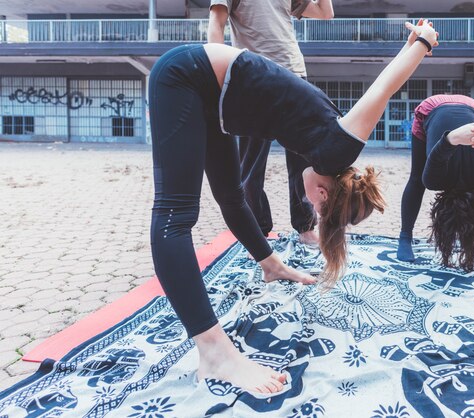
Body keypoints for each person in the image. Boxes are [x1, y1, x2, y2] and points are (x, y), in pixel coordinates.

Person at [149, 20, 438, 393]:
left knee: (232, 196)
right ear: (323, 196)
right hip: (186, 76)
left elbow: (236, 202)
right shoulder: (336, 149)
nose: (309, 204)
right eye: (317, 209)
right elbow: (384, 88)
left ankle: (270, 266)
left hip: (210, 98)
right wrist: (422, 43)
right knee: (175, 214)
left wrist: (272, 263)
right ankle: (214, 351)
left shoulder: (329, 148)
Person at [208, 0, 335, 245]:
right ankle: (257, 233)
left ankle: (306, 227)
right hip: (253, 76)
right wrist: (219, 76)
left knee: (302, 161)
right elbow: (216, 23)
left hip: (294, 73)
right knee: (251, 164)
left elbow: (324, 13)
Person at [397, 94, 474, 270]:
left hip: (434, 110)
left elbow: (437, 157)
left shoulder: (433, 180)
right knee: (416, 178)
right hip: (465, 107)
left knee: (419, 178)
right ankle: (405, 237)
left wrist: (452, 139)